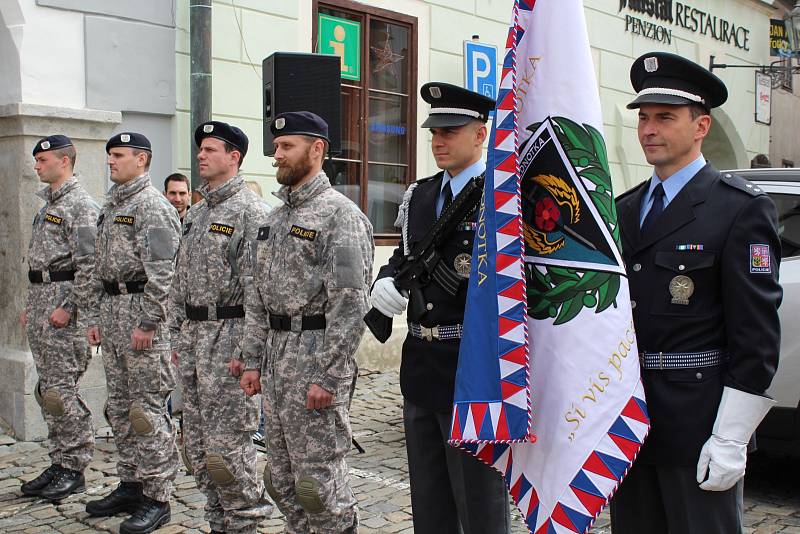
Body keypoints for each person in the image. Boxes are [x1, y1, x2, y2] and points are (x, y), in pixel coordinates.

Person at [610, 52, 782, 533]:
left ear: (701, 125)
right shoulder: (624, 209)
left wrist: (731, 437)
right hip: (630, 421)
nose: (649, 129)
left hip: (699, 423)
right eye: (643, 118)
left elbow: (757, 335)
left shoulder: (738, 209)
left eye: (665, 117)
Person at [370, 82, 510, 534]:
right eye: (434, 132)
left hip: (474, 370)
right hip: (422, 365)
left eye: (451, 130)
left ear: (481, 134)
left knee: (479, 503)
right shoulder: (421, 195)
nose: (439, 141)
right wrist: (385, 282)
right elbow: (403, 258)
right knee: (429, 500)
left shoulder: (503, 197)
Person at [239, 111, 374, 534]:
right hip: (278, 358)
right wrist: (252, 361)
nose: (276, 154)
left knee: (318, 481)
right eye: (276, 146)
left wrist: (328, 376)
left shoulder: (340, 216)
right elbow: (257, 297)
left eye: (286, 146)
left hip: (315, 356)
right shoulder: (273, 219)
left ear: (316, 150)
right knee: (282, 478)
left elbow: (350, 304)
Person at [168, 121, 272, 534]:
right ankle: (218, 523)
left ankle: (244, 523)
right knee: (196, 448)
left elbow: (258, 294)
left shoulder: (251, 212)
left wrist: (248, 356)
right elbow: (179, 281)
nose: (201, 155)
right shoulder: (195, 214)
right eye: (200, 149)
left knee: (228, 452)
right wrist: (178, 335)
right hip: (193, 344)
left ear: (234, 157)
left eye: (210, 149)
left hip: (228, 342)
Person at [82, 132, 181, 534]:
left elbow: (164, 273)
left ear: (142, 160)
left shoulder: (153, 207)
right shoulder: (112, 204)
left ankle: (157, 496)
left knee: (146, 411)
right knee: (120, 407)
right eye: (109, 156)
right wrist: (94, 316)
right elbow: (98, 267)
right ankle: (132, 482)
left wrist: (148, 322)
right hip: (113, 311)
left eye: (118, 156)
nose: (110, 162)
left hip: (142, 317)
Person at [19, 135, 99, 501]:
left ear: (64, 161)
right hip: (42, 304)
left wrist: (68, 307)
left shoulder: (80, 205)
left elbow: (88, 266)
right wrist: (31, 304)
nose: (36, 165)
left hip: (62, 312)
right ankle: (59, 459)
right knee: (48, 390)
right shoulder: (48, 204)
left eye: (42, 159)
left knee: (62, 391)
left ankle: (75, 465)